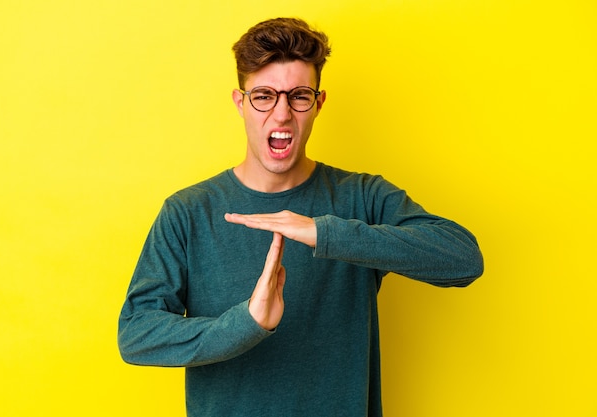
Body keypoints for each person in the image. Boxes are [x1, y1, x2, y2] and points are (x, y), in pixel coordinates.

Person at [118, 17, 484, 417]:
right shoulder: (188, 211)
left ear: (318, 103)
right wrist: (248, 323)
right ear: (241, 103)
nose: (281, 114)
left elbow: (463, 259)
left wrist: (322, 232)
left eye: (299, 96)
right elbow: (137, 334)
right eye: (263, 96)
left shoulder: (360, 197)